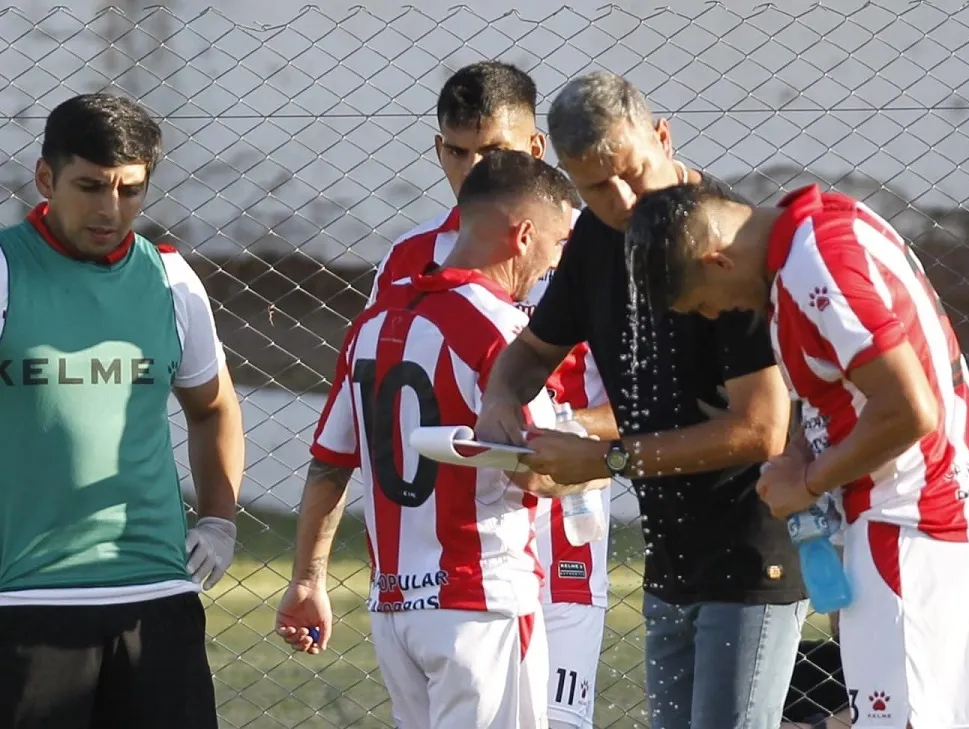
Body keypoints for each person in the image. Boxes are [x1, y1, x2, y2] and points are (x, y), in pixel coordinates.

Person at [475, 70, 805, 729]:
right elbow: (531, 352)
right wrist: (500, 402)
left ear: (662, 136)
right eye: (596, 186)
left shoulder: (723, 241)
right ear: (566, 172)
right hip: (671, 570)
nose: (623, 199)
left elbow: (763, 428)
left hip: (749, 561)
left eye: (633, 171)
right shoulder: (597, 239)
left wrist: (606, 459)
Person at [623, 181, 969, 728]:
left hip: (911, 528)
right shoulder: (816, 231)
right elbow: (860, 396)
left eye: (704, 303)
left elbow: (910, 408)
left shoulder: (816, 265)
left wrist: (808, 481)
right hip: (934, 521)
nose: (718, 314)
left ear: (716, 259)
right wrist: (808, 458)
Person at [275, 150, 591, 729]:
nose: (556, 262)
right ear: (524, 236)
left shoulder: (371, 324)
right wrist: (612, 456)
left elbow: (328, 465)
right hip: (480, 600)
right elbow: (541, 467)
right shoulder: (502, 329)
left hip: (396, 607)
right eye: (559, 241)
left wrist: (305, 580)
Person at [368, 61, 614, 729]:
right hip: (451, 553)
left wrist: (546, 426)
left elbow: (638, 403)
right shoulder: (406, 259)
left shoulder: (589, 250)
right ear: (438, 148)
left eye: (495, 150)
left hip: (559, 526)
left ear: (536, 150)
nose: (474, 166)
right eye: (458, 149)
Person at [0, 93, 245, 728]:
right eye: (90, 187)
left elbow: (213, 406)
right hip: (24, 596)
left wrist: (219, 521)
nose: (112, 209)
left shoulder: (170, 278)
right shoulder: (5, 268)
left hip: (155, 594)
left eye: (130, 190)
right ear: (46, 178)